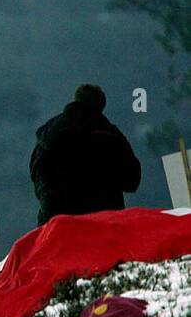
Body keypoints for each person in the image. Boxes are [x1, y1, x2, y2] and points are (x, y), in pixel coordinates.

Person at [30, 83, 141, 226]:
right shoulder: (110, 135)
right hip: (102, 226)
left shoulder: (47, 133)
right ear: (100, 107)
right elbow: (132, 180)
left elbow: (35, 173)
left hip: (56, 225)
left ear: (75, 100)